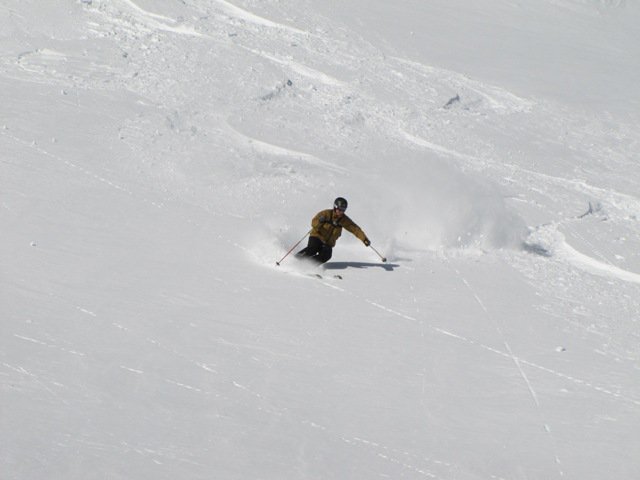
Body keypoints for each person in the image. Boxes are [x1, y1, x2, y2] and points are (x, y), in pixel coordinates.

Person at [297, 197, 370, 264]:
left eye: (343, 210)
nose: (341, 212)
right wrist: (320, 221)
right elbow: (314, 222)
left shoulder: (344, 220)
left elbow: (355, 229)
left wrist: (364, 239)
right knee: (313, 248)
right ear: (335, 207)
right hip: (317, 236)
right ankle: (296, 259)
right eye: (340, 209)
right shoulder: (326, 213)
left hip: (328, 242)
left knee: (326, 255)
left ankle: (308, 266)